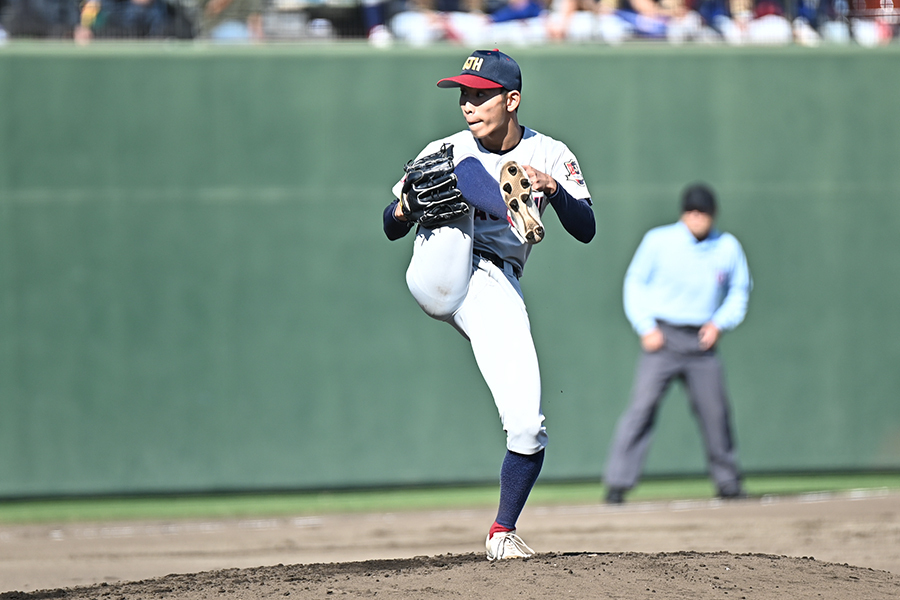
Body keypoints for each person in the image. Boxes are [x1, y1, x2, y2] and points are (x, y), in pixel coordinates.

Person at [382, 49, 595, 560]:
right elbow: (389, 225)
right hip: (441, 260)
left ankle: (502, 533)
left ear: (512, 99)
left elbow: (585, 229)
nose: (467, 105)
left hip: (495, 284)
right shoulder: (446, 148)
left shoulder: (550, 153)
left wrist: (552, 190)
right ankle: (501, 206)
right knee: (448, 172)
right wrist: (408, 205)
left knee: (527, 426)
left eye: (479, 95)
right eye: (463, 95)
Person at [603, 183, 751, 505]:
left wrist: (719, 323)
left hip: (702, 340)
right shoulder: (659, 241)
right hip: (662, 338)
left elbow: (740, 289)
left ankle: (728, 482)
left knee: (716, 412)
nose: (697, 219)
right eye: (692, 212)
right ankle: (617, 484)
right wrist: (645, 326)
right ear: (684, 214)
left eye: (703, 213)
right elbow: (634, 282)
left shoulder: (727, 247)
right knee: (641, 409)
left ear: (713, 216)